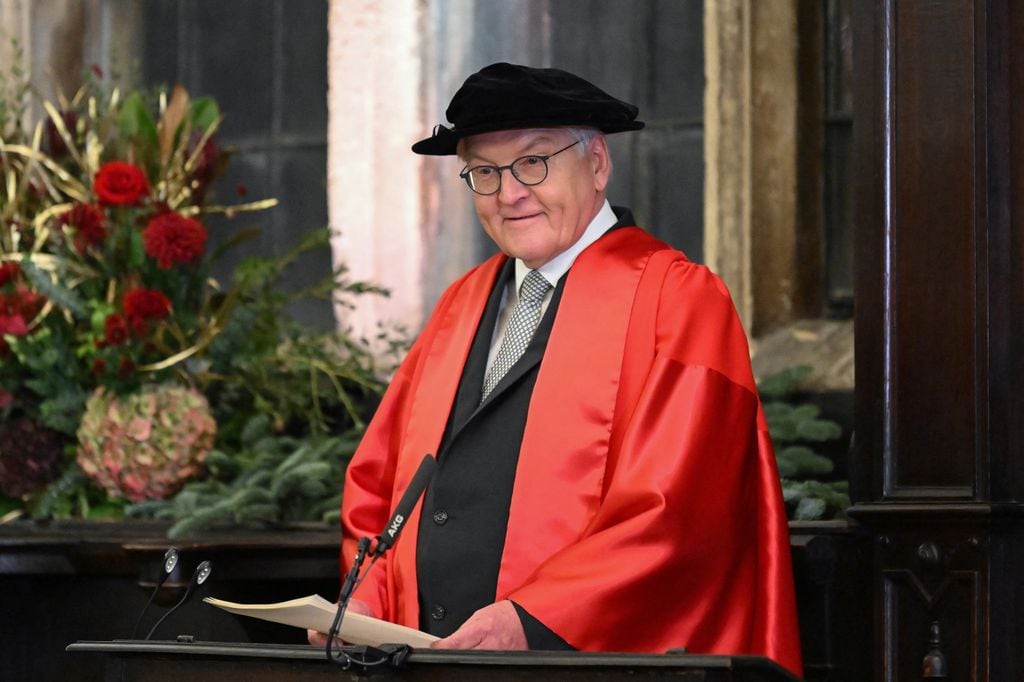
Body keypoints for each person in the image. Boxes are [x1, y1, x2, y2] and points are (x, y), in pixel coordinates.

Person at [310, 62, 803, 677]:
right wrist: (367, 598)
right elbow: (381, 485)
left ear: (597, 163)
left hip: (586, 666)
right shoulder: (462, 304)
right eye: (484, 172)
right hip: (430, 662)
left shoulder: (676, 299)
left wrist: (537, 617)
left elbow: (682, 508)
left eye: (533, 162)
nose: (508, 194)